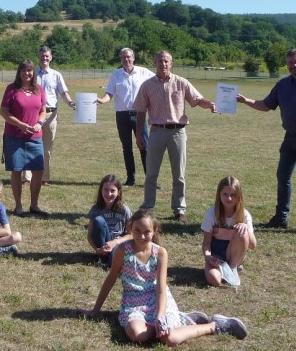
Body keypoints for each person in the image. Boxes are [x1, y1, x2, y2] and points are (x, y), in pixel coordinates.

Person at [81, 210, 248, 346]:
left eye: (147, 232)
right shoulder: (123, 250)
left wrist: (160, 316)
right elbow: (110, 279)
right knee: (136, 334)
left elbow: (161, 288)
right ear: (130, 228)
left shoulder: (160, 252)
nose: (141, 236)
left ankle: (214, 325)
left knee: (170, 339)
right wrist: (95, 309)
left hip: (158, 300)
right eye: (137, 230)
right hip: (133, 303)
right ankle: (181, 320)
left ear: (155, 231)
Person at [237, 49, 296, 237]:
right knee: (283, 176)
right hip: (290, 137)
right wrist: (245, 100)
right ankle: (281, 218)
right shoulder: (282, 85)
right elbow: (265, 105)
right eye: (290, 63)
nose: (293, 65)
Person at [134, 50, 216, 223]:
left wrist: (210, 105)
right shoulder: (147, 86)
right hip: (156, 131)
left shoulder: (181, 82)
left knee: (179, 174)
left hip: (178, 132)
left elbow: (197, 99)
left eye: (166, 61)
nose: (163, 64)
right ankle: (148, 207)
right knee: (151, 173)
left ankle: (179, 209)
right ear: (154, 63)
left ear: (171, 64)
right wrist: (139, 135)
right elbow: (140, 111)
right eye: (160, 61)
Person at [96, 48, 154, 186]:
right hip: (121, 116)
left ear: (133, 57)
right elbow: (109, 94)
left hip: (139, 114)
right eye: (123, 57)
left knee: (144, 146)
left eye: (128, 57)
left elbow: (157, 82)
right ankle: (130, 179)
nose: (126, 59)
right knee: (126, 148)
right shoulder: (116, 75)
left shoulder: (143, 72)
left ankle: (150, 180)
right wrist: (101, 100)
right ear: (120, 59)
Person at [0, 60, 48, 217]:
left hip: (35, 137)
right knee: (16, 170)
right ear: (19, 72)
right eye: (23, 70)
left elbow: (43, 110)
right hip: (14, 137)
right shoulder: (12, 89)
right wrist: (20, 124)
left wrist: (40, 123)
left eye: (29, 71)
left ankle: (34, 205)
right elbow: (4, 112)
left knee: (38, 170)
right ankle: (18, 206)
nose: (26, 73)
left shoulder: (39, 89)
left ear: (33, 72)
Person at [22, 46, 75, 186]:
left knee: (47, 148)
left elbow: (63, 93)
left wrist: (70, 102)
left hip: (51, 114)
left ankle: (44, 178)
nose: (44, 58)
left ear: (51, 57)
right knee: (29, 145)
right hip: (33, 114)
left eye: (47, 56)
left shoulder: (56, 75)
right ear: (38, 57)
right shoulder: (32, 74)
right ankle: (26, 178)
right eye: (42, 56)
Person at [201, 176, 257, 287]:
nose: (229, 199)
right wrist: (208, 256)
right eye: (225, 194)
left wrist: (232, 232)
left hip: (233, 254)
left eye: (233, 195)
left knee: (243, 231)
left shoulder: (244, 215)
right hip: (217, 256)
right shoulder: (211, 214)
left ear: (239, 196)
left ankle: (232, 267)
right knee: (214, 280)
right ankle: (222, 269)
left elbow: (253, 245)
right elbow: (206, 243)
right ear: (219, 195)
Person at [87, 174, 132, 267]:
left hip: (118, 243)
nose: (109, 194)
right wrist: (97, 250)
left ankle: (107, 259)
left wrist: (115, 242)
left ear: (118, 192)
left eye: (112, 191)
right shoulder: (96, 209)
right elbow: (90, 236)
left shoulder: (124, 210)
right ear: (101, 191)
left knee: (114, 263)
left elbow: (131, 235)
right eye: (106, 190)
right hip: (102, 243)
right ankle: (102, 256)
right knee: (99, 220)